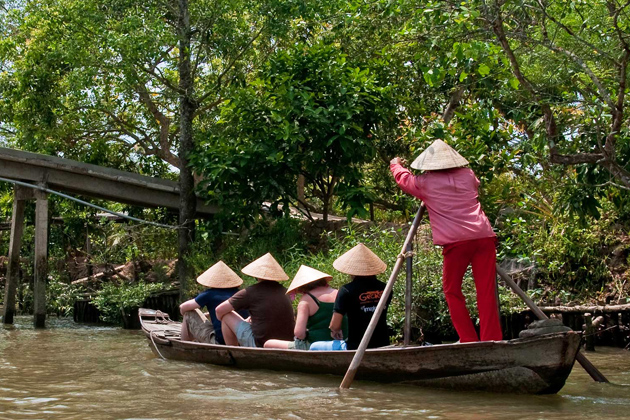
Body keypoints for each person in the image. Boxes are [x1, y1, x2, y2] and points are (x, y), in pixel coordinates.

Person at [390, 139, 502, 343]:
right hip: (483, 237)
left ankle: (468, 339)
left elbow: (403, 179)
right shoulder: (468, 175)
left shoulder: (425, 182)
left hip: (457, 243)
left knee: (452, 290)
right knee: (486, 291)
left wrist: (395, 163)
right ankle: (491, 339)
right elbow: (469, 186)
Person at [215, 253, 295, 347]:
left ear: (257, 276)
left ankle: (232, 352)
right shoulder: (285, 291)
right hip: (285, 344)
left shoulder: (250, 292)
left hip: (260, 344)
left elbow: (219, 310)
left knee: (226, 315)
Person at [264, 265, 347, 350]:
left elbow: (299, 333)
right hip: (343, 342)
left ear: (302, 287)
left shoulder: (306, 300)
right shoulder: (339, 293)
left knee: (268, 344)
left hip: (314, 345)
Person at [328, 243, 391, 350]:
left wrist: (335, 331)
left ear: (352, 270)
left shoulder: (346, 290)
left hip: (356, 346)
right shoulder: (386, 288)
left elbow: (335, 325)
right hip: (383, 344)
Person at [179, 260, 248, 345]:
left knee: (188, 313)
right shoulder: (240, 294)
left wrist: (184, 315)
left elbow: (183, 307)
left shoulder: (209, 294)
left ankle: (183, 345)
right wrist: (208, 314)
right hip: (242, 340)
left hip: (219, 341)